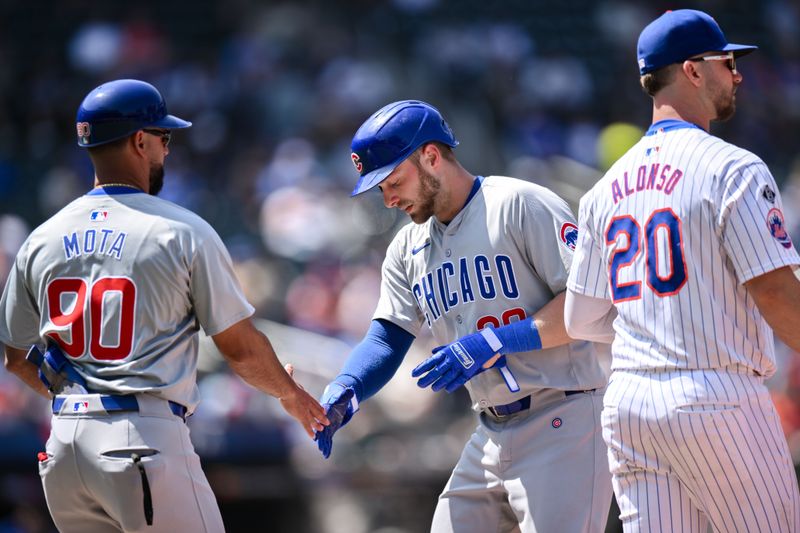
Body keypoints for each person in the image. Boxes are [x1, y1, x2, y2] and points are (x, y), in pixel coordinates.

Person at [0, 79, 328, 533]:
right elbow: (240, 349)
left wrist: (83, 399)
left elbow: (16, 358)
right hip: (141, 439)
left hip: (63, 448)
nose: (167, 151)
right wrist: (290, 394)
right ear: (140, 141)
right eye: (163, 138)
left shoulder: (41, 238)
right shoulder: (181, 230)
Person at [314, 100, 613, 532]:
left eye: (394, 180)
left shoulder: (519, 204)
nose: (389, 198)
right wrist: (348, 388)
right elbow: (387, 338)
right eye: (381, 189)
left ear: (432, 156)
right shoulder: (406, 247)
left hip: (563, 419)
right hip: (489, 430)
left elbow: (587, 308)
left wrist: (496, 342)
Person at [564, 9, 800, 532]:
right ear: (692, 70)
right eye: (726, 61)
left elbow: (582, 321)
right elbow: (778, 295)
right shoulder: (733, 167)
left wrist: (657, 324)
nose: (736, 73)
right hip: (715, 400)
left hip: (629, 406)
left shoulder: (605, 188)